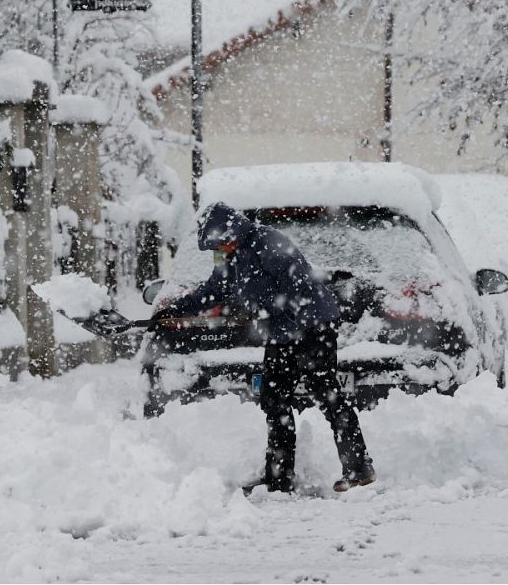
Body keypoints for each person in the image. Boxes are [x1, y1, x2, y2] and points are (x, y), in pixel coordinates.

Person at [155, 201, 375, 495]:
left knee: (326, 392)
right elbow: (214, 290)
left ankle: (358, 467)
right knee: (274, 399)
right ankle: (278, 477)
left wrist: (270, 310)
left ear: (234, 232)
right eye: (217, 247)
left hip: (312, 327)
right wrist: (175, 310)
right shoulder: (226, 255)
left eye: (224, 243)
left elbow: (299, 288)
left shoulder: (269, 244)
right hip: (281, 332)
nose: (223, 250)